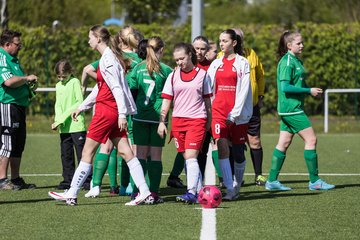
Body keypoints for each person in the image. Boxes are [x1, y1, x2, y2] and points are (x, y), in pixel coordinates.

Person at [48, 25, 153, 206]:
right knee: (125, 151)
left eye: (90, 37)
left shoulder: (108, 60)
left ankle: (71, 193)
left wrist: (121, 114)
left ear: (98, 38)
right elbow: (101, 88)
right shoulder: (108, 58)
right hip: (111, 112)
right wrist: (82, 107)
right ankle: (145, 192)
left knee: (87, 152)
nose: (88, 40)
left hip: (106, 112)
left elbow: (117, 88)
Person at [265, 30, 335, 191]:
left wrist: (310, 91)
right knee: (311, 140)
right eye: (299, 43)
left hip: (290, 109)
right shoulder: (287, 61)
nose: (302, 45)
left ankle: (272, 181)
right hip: (292, 109)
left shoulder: (296, 60)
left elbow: (297, 83)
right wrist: (308, 90)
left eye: (302, 42)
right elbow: (285, 87)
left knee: (284, 142)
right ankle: (315, 181)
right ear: (289, 45)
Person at [158, 42, 212, 204]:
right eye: (176, 60)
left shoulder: (203, 75)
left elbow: (208, 102)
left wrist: (208, 123)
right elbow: (167, 101)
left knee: (190, 156)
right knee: (188, 158)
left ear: (190, 55)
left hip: (197, 120)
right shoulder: (173, 76)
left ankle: (191, 192)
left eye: (182, 58)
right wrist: (162, 122)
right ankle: (201, 190)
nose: (180, 62)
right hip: (178, 122)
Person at [207, 29, 252, 201]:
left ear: (234, 43)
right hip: (218, 113)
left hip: (238, 115)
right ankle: (229, 188)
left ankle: (237, 185)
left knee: (239, 153)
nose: (221, 44)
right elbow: (207, 86)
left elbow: (244, 90)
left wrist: (235, 113)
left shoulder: (243, 63)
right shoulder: (216, 63)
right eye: (220, 41)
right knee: (222, 146)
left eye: (225, 41)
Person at [129, 37, 172, 203]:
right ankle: (153, 193)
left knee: (139, 156)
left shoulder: (137, 68)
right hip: (158, 118)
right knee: (155, 156)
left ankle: (136, 192)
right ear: (161, 50)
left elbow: (131, 93)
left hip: (139, 116)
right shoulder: (167, 71)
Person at [0, 29, 38, 190]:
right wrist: (26, 78)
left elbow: (18, 81)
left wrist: (28, 86)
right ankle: (2, 180)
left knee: (18, 143)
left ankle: (15, 179)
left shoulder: (13, 60)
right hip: (8, 104)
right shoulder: (2, 58)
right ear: (7, 44)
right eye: (18, 44)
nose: (20, 46)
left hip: (19, 105)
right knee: (7, 142)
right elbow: (8, 82)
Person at [52, 59, 89, 190]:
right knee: (66, 154)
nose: (61, 79)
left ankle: (86, 181)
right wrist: (57, 121)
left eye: (64, 76)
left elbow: (79, 102)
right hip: (64, 127)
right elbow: (58, 105)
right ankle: (68, 180)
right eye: (59, 76)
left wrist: (61, 118)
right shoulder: (58, 85)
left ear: (70, 72)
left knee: (82, 154)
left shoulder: (75, 82)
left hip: (76, 125)